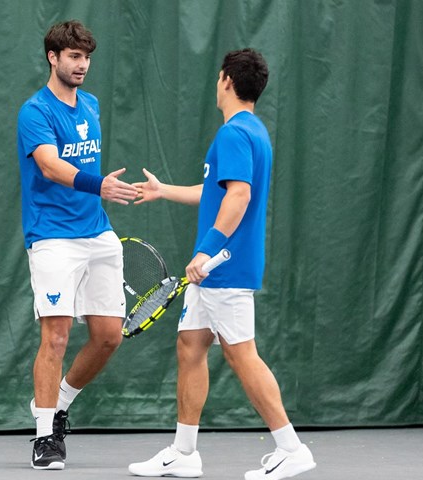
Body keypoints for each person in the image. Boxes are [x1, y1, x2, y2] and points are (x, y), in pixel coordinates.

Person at [127, 49, 316, 480]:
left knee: (241, 353)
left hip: (223, 267)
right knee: (191, 347)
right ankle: (184, 452)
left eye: (217, 78)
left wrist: (205, 251)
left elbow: (238, 197)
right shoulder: (251, 131)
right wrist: (164, 190)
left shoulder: (234, 134)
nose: (216, 84)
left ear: (227, 81)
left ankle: (291, 447)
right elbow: (217, 192)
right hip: (221, 266)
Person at [16, 20, 138, 470]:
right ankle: (45, 436)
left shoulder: (91, 105)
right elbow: (48, 166)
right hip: (52, 238)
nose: (82, 64)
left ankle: (58, 402)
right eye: (73, 56)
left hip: (98, 234)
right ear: (53, 58)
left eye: (86, 57)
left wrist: (98, 195)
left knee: (108, 336)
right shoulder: (34, 111)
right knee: (57, 335)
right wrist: (98, 185)